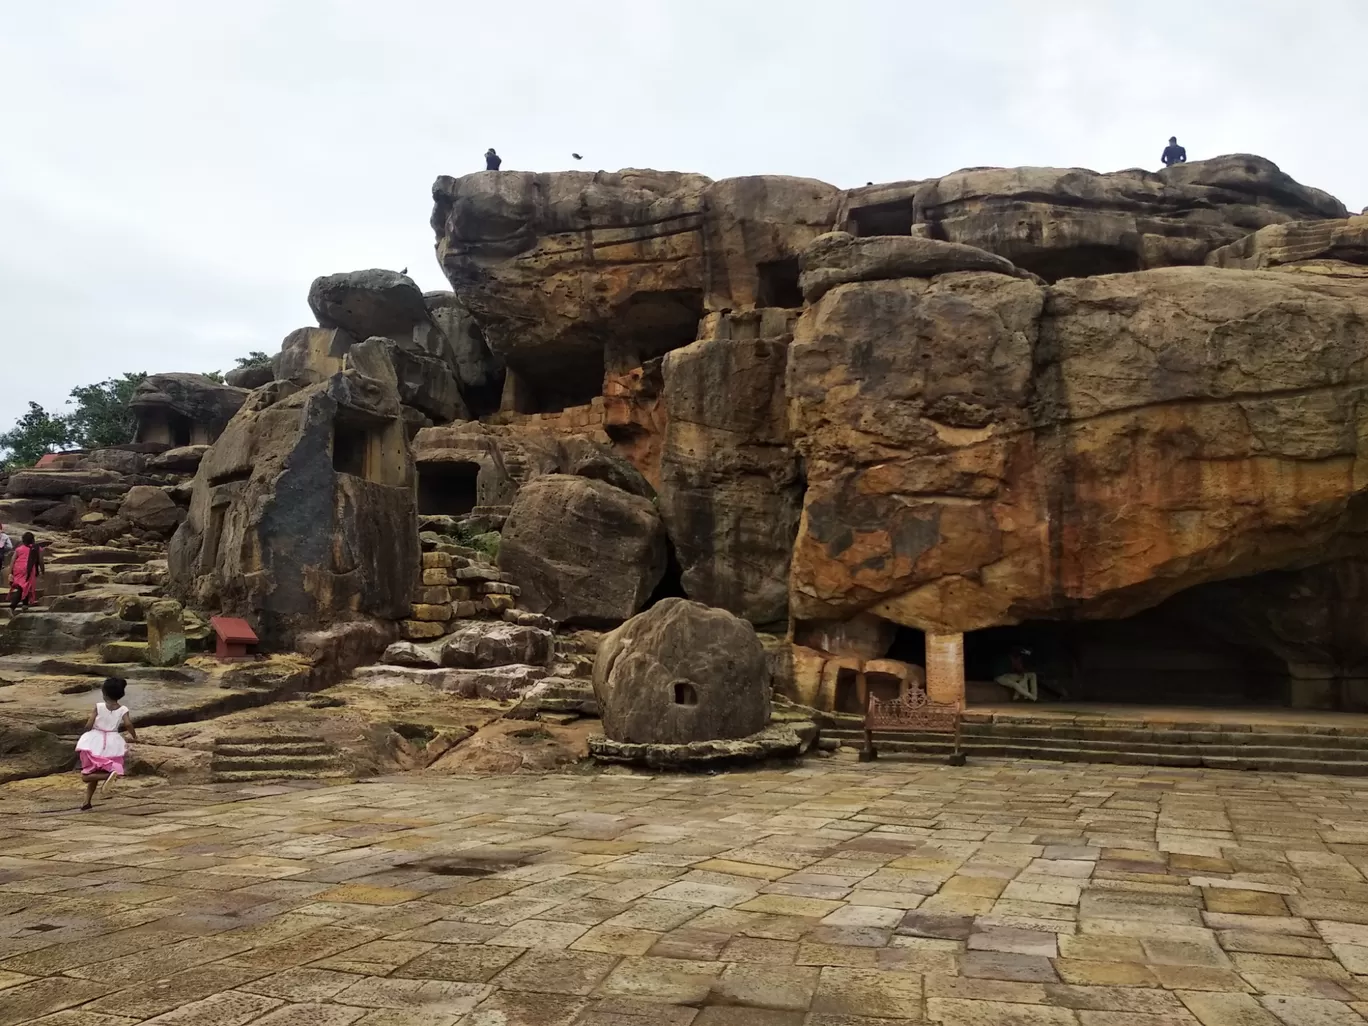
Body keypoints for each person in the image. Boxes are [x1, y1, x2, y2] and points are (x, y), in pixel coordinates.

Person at [75, 677, 137, 810]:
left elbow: (89, 723)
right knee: (96, 772)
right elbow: (128, 724)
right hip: (113, 742)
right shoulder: (123, 709)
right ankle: (87, 802)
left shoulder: (99, 706)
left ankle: (110, 775)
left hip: (96, 740)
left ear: (104, 693)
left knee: (87, 776)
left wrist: (85, 733)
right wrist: (134, 735)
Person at [8, 532, 43, 611]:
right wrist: (42, 571)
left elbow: (12, 561)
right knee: (24, 587)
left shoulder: (19, 549)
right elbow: (41, 561)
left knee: (24, 586)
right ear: (33, 540)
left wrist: (10, 572)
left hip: (18, 568)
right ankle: (13, 605)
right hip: (29, 569)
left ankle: (25, 604)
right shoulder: (37, 548)